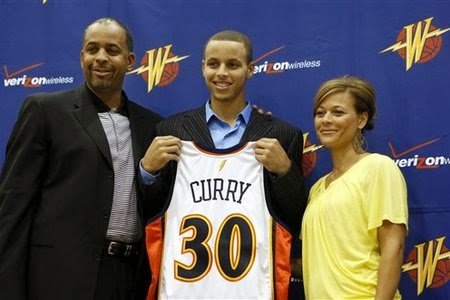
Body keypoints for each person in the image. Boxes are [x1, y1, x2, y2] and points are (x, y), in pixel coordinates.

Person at [0, 17, 162, 300]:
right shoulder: (44, 111)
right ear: (81, 56)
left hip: (129, 279)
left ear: (130, 60)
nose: (100, 58)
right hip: (60, 278)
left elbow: (154, 207)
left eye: (112, 50)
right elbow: (13, 208)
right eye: (92, 49)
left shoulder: (151, 126)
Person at [140, 30, 307, 299]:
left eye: (233, 65)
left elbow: (295, 216)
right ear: (202, 68)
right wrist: (147, 171)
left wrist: (285, 171)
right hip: (184, 288)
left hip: (251, 287)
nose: (221, 73)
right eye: (213, 64)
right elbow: (150, 210)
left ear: (250, 69)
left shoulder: (282, 135)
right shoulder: (171, 130)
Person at [301, 76, 408, 299]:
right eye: (320, 113)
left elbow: (393, 246)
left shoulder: (378, 167)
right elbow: (321, 261)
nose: (326, 120)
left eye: (338, 112)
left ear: (361, 120)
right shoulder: (317, 189)